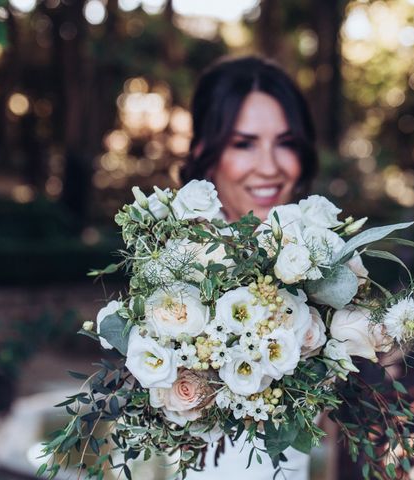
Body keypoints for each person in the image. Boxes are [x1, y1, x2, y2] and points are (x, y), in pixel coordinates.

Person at [180, 55, 318, 479]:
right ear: (206, 152)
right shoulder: (180, 272)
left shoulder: (310, 254)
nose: (270, 167)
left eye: (286, 142)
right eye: (244, 143)